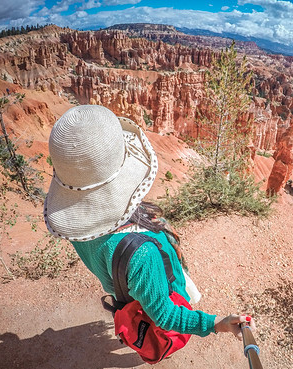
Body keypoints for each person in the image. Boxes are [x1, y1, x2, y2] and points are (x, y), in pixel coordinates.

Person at [44, 105, 255, 340]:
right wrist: (217, 323)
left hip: (121, 284)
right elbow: (165, 316)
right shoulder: (143, 254)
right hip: (154, 284)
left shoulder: (77, 221)